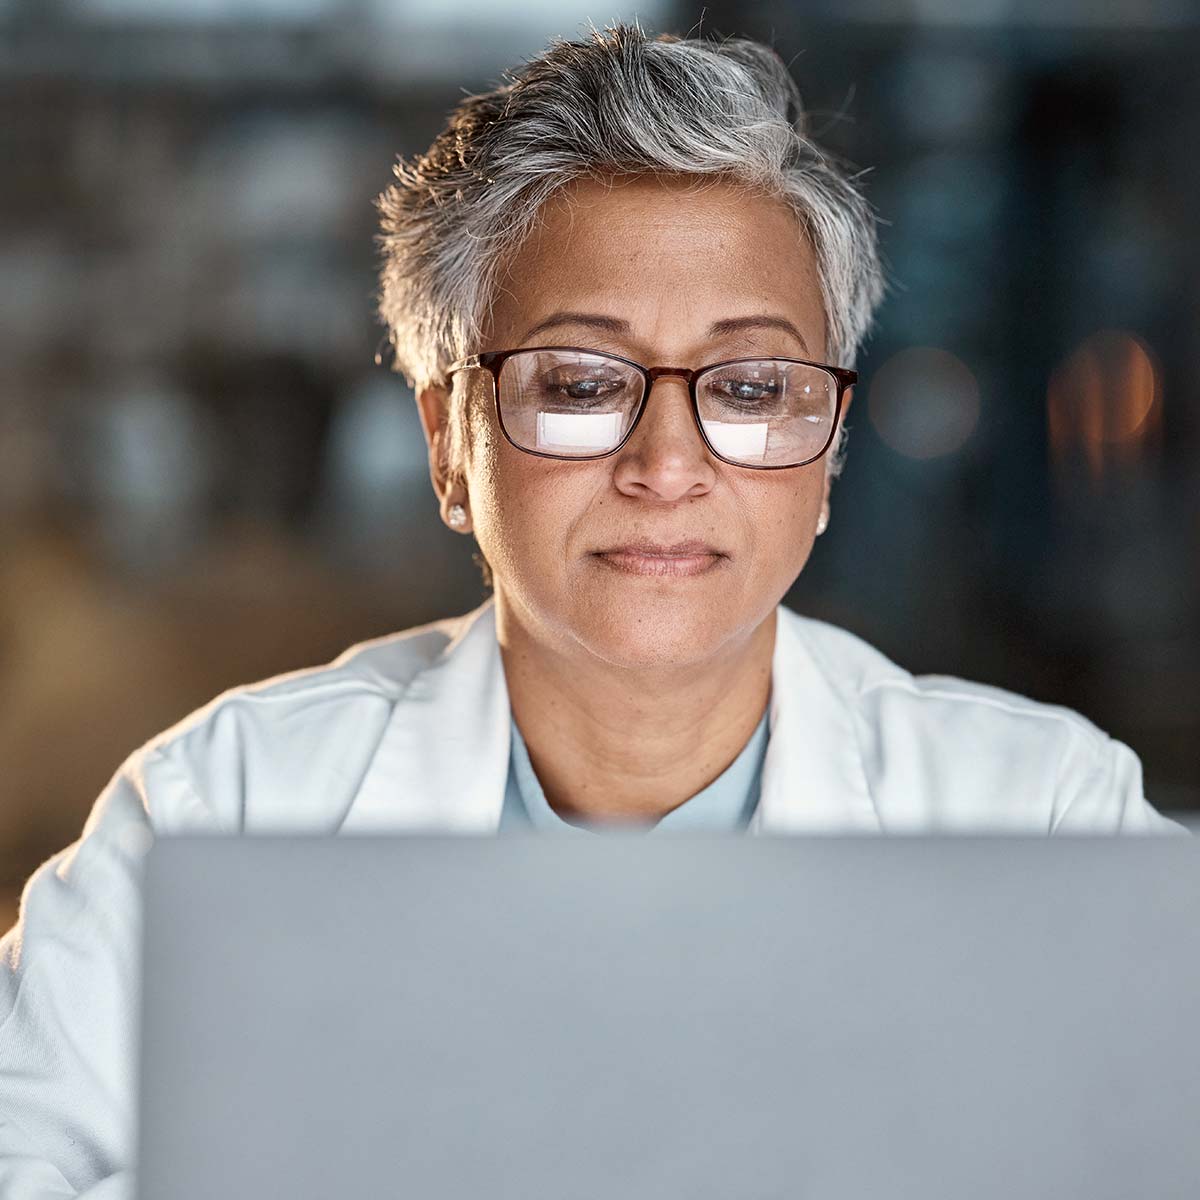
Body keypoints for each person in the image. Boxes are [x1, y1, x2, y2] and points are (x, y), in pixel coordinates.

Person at [0, 21, 1187, 1200]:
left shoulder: (1041, 821)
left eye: (754, 387)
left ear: (827, 458)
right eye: (578, 383)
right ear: (449, 446)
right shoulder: (223, 814)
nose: (668, 464)